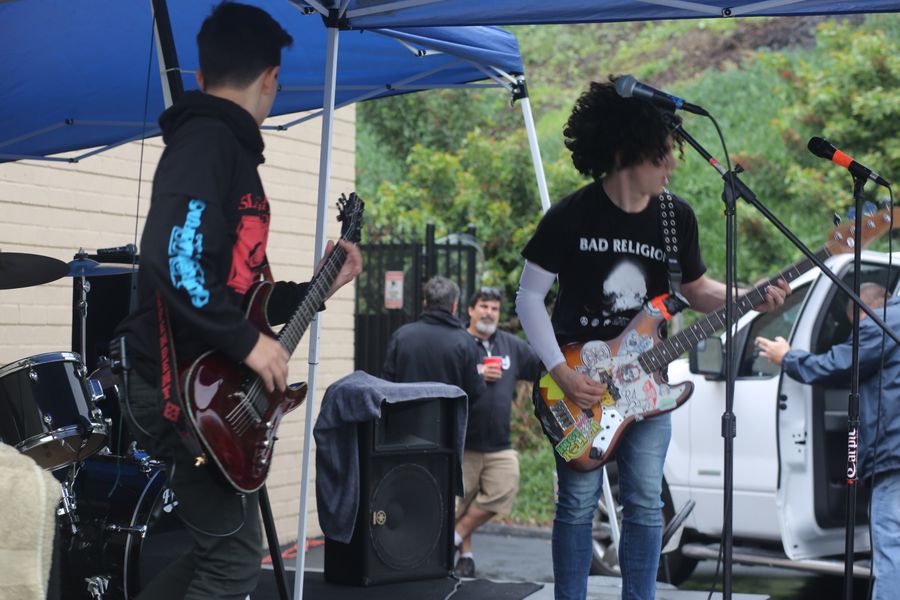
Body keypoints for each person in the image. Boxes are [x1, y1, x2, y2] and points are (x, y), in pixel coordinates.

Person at [113, 4, 361, 598]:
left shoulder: (222, 146)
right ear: (272, 78)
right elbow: (172, 258)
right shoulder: (206, 142)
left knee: (221, 552)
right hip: (176, 384)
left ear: (202, 75)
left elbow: (239, 294)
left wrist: (320, 288)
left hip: (201, 381)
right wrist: (246, 343)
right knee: (231, 561)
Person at [514, 78, 789, 600]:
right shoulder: (571, 215)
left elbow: (696, 290)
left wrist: (750, 296)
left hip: (648, 387)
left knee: (644, 502)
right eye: (661, 155)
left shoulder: (674, 217)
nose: (671, 166)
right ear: (624, 153)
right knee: (577, 503)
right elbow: (528, 297)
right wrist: (560, 372)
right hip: (577, 386)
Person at [756, 282, 899, 600]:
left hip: (894, 456)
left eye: (853, 326)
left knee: (891, 545)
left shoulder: (881, 322)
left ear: (861, 312)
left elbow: (836, 364)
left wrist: (788, 357)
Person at [453, 287, 542, 577]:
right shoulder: (458, 342)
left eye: (494, 308)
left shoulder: (510, 345)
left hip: (499, 444)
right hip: (462, 442)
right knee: (458, 502)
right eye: (483, 306)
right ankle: (465, 557)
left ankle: (456, 536)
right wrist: (478, 374)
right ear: (470, 310)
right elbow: (444, 377)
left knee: (505, 488)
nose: (489, 313)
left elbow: (540, 368)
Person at [382, 276, 485, 404]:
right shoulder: (465, 341)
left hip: (404, 414)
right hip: (449, 415)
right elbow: (475, 390)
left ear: (425, 303)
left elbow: (386, 384)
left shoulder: (401, 336)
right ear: (454, 306)